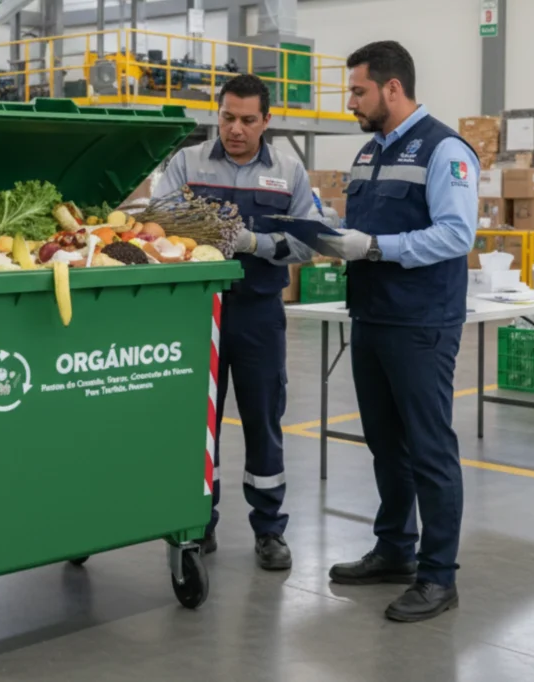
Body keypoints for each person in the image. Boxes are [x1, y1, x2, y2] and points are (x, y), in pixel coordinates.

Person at [317, 41, 479, 622]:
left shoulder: (445, 150)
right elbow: (363, 229)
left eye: (358, 90)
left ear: (391, 87)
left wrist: (377, 248)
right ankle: (394, 549)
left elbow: (457, 234)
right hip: (373, 316)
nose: (351, 101)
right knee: (386, 444)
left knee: (430, 451)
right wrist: (329, 236)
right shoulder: (368, 154)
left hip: (421, 323)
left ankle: (439, 576)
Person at [154, 73, 338, 571]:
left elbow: (308, 240)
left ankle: (270, 530)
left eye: (247, 120)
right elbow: (157, 227)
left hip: (258, 313)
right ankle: (197, 521)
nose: (235, 129)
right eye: (228, 117)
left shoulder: (288, 170)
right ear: (218, 114)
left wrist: (253, 243)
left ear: (267, 121)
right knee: (196, 422)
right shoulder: (185, 163)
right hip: (195, 314)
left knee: (263, 420)